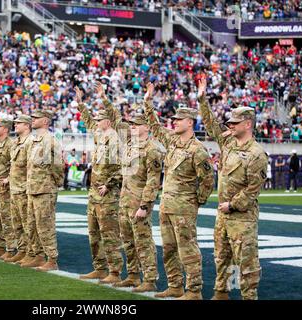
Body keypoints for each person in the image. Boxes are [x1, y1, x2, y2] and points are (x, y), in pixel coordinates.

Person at [198, 77, 268, 300]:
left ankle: (249, 297)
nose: (230, 126)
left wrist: (232, 205)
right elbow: (210, 125)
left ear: (247, 124)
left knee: (246, 263)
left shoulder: (256, 154)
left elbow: (252, 189)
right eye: (229, 123)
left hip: (242, 218)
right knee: (222, 257)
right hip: (224, 216)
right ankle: (221, 293)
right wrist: (202, 100)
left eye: (234, 124)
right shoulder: (228, 143)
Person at [144, 82, 214, 300]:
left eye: (178, 120)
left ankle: (194, 290)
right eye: (173, 120)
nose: (173, 122)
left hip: (184, 207)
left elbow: (208, 180)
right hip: (166, 205)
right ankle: (175, 286)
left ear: (190, 122)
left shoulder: (198, 150)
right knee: (169, 249)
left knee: (188, 250)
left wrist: (196, 201)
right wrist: (147, 102)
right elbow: (154, 127)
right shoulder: (172, 141)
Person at [75, 85, 125, 284]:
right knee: (93, 234)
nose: (95, 122)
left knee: (110, 234)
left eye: (99, 119)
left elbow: (123, 167)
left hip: (107, 194)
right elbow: (87, 121)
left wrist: (110, 184)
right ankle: (99, 268)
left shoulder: (117, 138)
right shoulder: (100, 135)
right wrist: (80, 104)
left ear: (107, 121)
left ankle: (114, 271)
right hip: (94, 193)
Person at [113, 111, 164, 293]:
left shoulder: (152, 149)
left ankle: (150, 279)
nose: (132, 126)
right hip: (125, 201)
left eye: (136, 123)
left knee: (143, 241)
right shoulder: (130, 145)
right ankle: (133, 275)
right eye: (131, 123)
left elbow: (153, 180)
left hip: (138, 203)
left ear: (147, 127)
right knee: (127, 240)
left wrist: (145, 205)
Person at [23, 110, 64, 272]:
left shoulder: (50, 141)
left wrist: (53, 184)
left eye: (36, 118)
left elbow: (58, 166)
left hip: (45, 189)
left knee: (45, 225)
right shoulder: (34, 141)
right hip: (32, 188)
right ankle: (38, 255)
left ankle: (52, 259)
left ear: (46, 121)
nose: (32, 120)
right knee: (32, 225)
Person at [8, 115, 33, 264]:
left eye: (18, 123)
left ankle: (31, 252)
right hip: (14, 187)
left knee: (27, 223)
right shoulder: (16, 142)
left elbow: (31, 166)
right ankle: (22, 250)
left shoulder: (30, 141)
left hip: (24, 188)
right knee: (16, 223)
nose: (15, 125)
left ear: (27, 126)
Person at [0, 118, 16, 260]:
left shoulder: (10, 145)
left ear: (5, 129)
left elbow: (15, 164)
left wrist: (9, 179)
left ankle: (11, 248)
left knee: (7, 218)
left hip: (5, 188)